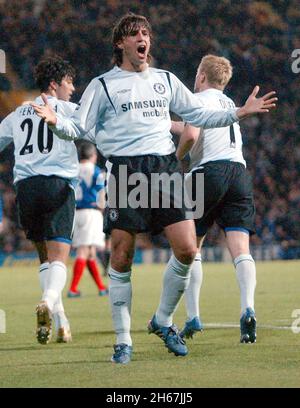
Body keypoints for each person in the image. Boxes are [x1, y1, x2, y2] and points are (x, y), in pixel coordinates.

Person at [31, 13, 276, 363]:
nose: (143, 38)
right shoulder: (103, 85)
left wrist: (240, 112)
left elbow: (199, 116)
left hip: (163, 168)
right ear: (121, 43)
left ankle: (162, 320)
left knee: (189, 249)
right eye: (135, 34)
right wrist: (57, 122)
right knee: (121, 255)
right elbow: (81, 127)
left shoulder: (165, 80)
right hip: (125, 171)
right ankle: (123, 340)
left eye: (146, 33)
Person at [175, 54, 260, 343]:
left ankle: (192, 317)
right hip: (238, 174)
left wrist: (176, 158)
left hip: (207, 173)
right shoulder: (229, 103)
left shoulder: (196, 100)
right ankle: (248, 308)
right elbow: (194, 129)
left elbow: (190, 136)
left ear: (201, 76)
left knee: (190, 249)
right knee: (240, 249)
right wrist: (167, 124)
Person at [0, 56, 82, 345]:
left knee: (44, 258)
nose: (72, 88)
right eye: (68, 82)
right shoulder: (69, 109)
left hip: (26, 190)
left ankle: (61, 323)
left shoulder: (18, 113)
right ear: (53, 85)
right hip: (57, 185)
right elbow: (93, 132)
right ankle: (47, 301)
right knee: (60, 257)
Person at [68, 141, 108, 297]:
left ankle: (101, 287)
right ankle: (72, 289)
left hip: (76, 213)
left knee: (90, 252)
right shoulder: (96, 171)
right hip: (91, 212)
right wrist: (102, 207)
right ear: (93, 155)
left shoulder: (72, 170)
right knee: (84, 251)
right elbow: (100, 193)